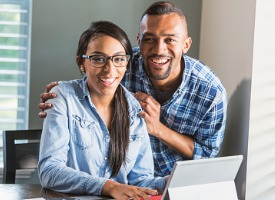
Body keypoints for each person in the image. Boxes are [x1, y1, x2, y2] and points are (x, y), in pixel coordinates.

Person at [38, 1, 227, 177]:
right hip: (118, 182)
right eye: (149, 39)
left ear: (186, 44)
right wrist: (61, 96)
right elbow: (93, 79)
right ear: (139, 40)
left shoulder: (210, 92)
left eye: (170, 40)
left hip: (168, 182)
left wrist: (158, 129)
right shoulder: (122, 62)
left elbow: (206, 156)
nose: (159, 49)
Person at [38, 20, 167, 200]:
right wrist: (107, 186)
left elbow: (140, 181)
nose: (109, 69)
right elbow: (49, 171)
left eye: (119, 59)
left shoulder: (134, 109)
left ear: (127, 64)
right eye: (98, 59)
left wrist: (169, 182)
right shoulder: (63, 98)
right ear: (82, 63)